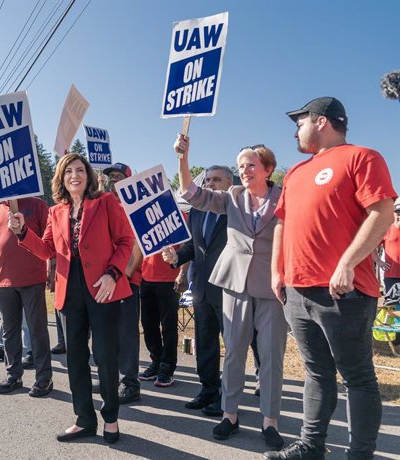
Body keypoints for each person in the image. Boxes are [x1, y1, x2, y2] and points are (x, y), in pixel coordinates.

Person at [266, 97, 395, 460]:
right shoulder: (294, 172)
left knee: (357, 377)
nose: (296, 129)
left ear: (321, 121)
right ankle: (311, 446)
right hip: (296, 290)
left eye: (300, 121)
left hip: (344, 292)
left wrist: (348, 262)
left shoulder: (362, 157)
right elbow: (282, 224)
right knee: (316, 373)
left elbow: (382, 212)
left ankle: (359, 454)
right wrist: (278, 272)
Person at [169, 136, 288, 451]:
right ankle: (230, 415)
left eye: (251, 165)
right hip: (234, 284)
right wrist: (183, 158)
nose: (245, 170)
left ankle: (270, 423)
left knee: (271, 355)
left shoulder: (285, 198)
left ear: (268, 168)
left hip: (272, 286)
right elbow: (193, 194)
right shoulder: (232, 197)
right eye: (241, 166)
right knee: (234, 351)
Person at [9, 153, 134, 444]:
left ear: (88, 176)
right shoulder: (56, 211)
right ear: (62, 179)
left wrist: (113, 274)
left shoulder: (106, 203)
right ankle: (84, 420)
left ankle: (111, 418)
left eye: (80, 170)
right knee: (76, 358)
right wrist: (22, 232)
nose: (75, 175)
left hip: (103, 286)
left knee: (104, 356)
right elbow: (45, 250)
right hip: (70, 289)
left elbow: (125, 241)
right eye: (68, 172)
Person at [166, 166, 231, 417]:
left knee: (233, 348)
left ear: (230, 183)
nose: (211, 183)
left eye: (217, 179)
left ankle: (228, 398)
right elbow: (192, 247)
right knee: (205, 344)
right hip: (202, 288)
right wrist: (175, 257)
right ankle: (208, 390)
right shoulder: (196, 212)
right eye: (208, 180)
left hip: (229, 289)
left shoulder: (236, 209)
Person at [0, 197, 53, 397]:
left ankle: (43, 378)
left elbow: (49, 240)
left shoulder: (37, 205)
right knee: (9, 332)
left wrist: (51, 270)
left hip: (32, 279)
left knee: (37, 330)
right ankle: (14, 375)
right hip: (3, 282)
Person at [101, 162, 144, 404]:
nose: (113, 180)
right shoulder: (104, 204)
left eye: (118, 176)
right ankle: (111, 378)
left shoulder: (135, 206)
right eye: (111, 177)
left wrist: (125, 274)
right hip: (105, 279)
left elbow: (139, 244)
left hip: (126, 279)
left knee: (127, 334)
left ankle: (130, 384)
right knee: (107, 332)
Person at [139, 251, 181, 388]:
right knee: (148, 325)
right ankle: (156, 360)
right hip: (146, 278)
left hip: (169, 280)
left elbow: (184, 246)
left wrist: (182, 273)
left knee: (168, 327)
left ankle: (167, 367)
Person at [375, 199, 400, 294]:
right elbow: (371, 246)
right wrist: (378, 261)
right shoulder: (386, 230)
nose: (399, 216)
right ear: (394, 215)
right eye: (398, 213)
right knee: (394, 306)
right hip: (391, 276)